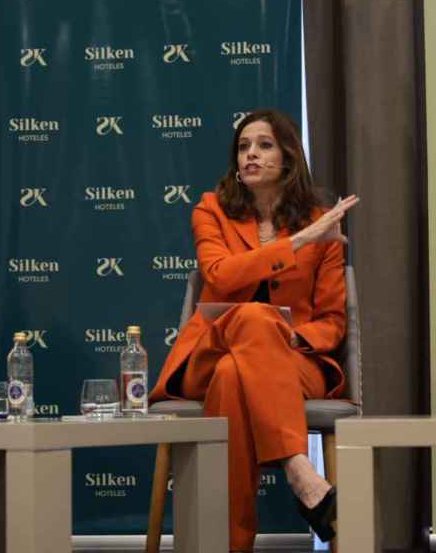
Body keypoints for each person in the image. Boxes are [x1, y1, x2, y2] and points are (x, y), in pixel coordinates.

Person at [149, 109, 359, 551]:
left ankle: (230, 544)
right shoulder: (212, 211)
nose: (251, 155)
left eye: (264, 145)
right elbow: (222, 277)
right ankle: (300, 473)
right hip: (206, 354)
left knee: (234, 373)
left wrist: (289, 338)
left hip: (294, 361)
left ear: (287, 157)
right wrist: (299, 241)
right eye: (243, 147)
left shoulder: (320, 220)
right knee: (253, 318)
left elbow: (333, 321)